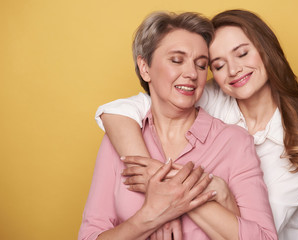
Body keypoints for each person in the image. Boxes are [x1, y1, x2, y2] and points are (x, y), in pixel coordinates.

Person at [95, 9, 298, 240]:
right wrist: (154, 180)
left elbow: (261, 231)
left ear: (266, 50)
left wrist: (163, 184)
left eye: (242, 53)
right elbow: (123, 109)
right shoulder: (209, 93)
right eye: (217, 65)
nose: (234, 70)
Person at [79, 11, 277, 240]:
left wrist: (179, 194)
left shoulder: (235, 142)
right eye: (176, 60)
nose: (192, 73)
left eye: (202, 65)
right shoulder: (121, 139)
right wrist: (151, 215)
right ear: (145, 68)